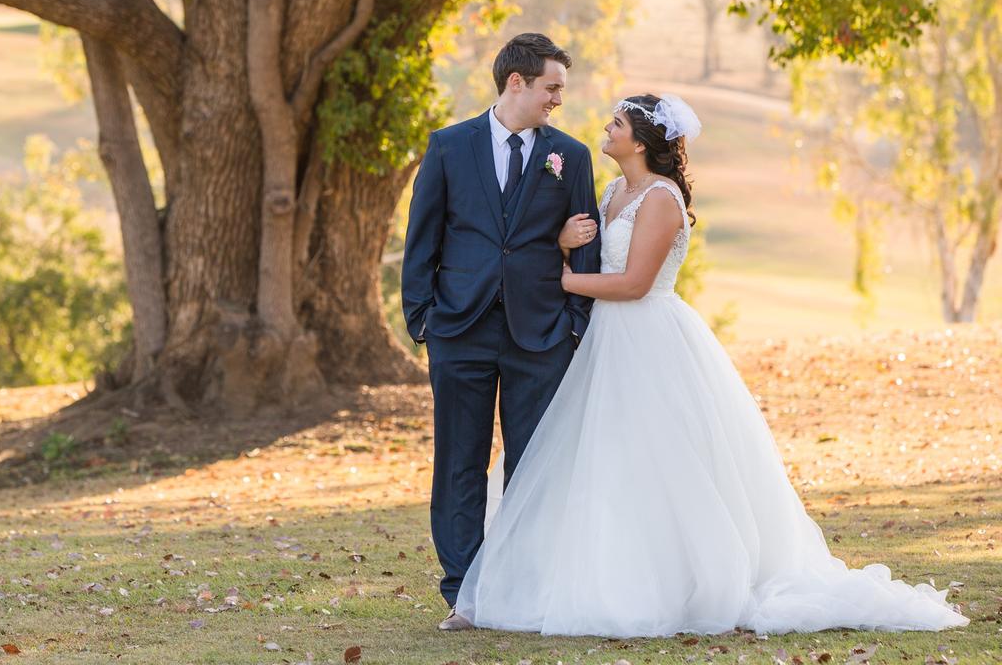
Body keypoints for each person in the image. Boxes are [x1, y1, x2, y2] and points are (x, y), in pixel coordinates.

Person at [452, 93, 970, 636]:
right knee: (600, 457)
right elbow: (597, 260)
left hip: (648, 338)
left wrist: (557, 281)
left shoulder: (660, 198)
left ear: (643, 141)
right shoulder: (612, 192)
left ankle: (672, 585)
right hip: (603, 340)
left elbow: (633, 284)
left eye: (618, 123)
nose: (606, 128)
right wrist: (561, 246)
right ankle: (595, 573)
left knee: (658, 459)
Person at [400, 32, 602, 631]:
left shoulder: (571, 155)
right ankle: (464, 594)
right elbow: (422, 239)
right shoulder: (448, 147)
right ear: (517, 83)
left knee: (532, 466)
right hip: (459, 330)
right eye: (551, 88)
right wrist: (423, 320)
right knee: (458, 463)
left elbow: (584, 244)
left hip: (540, 334)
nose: (557, 100)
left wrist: (573, 326)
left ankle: (523, 587)